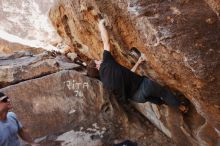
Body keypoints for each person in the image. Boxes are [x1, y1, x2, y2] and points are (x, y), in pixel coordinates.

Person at [87, 19, 189, 113]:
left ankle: (164, 103)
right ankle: (182, 107)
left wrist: (138, 62)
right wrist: (101, 26)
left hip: (138, 98)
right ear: (96, 66)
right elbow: (106, 42)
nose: (99, 60)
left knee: (156, 98)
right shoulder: (106, 63)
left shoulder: (106, 83)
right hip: (144, 86)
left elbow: (127, 77)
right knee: (163, 92)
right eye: (97, 61)